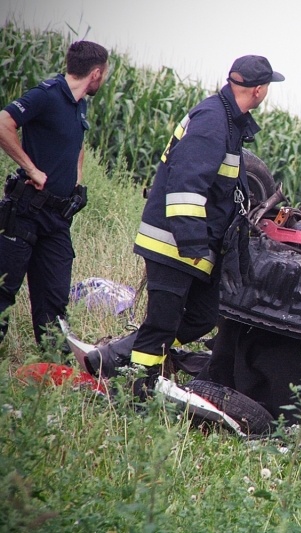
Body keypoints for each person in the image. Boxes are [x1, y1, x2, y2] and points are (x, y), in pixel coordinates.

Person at [83, 55, 284, 396]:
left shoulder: (230, 122)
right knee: (162, 325)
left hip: (195, 247)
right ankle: (137, 395)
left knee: (201, 319)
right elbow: (186, 186)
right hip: (174, 245)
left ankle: (115, 357)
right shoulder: (213, 121)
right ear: (260, 90)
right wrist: (192, 245)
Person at [0, 40, 109, 348]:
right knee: (3, 290)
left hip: (57, 219)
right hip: (25, 212)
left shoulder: (80, 103)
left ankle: (50, 368)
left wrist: (76, 182)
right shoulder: (47, 95)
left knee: (54, 302)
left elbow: (77, 144)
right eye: (105, 74)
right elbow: (3, 123)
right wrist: (31, 169)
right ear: (96, 73)